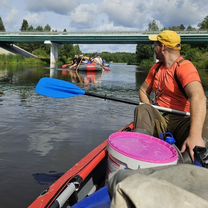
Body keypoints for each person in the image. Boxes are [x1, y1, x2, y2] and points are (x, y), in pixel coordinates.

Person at [134, 30, 207, 161]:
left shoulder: (184, 67)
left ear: (162, 47)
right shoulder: (156, 68)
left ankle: (189, 159)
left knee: (206, 117)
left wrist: (195, 135)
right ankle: (140, 153)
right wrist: (151, 109)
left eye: (155, 44)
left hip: (182, 120)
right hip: (161, 118)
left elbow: (199, 97)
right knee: (143, 108)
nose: (153, 48)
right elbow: (143, 91)